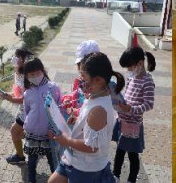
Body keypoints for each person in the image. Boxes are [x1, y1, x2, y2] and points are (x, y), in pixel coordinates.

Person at [46, 52, 121, 183]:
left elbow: (91, 147)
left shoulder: (98, 110)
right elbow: (89, 120)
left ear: (97, 80)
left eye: (82, 75)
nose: (79, 78)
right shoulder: (93, 94)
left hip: (87, 170)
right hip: (73, 159)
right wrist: (78, 120)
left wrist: (67, 141)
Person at [111, 47, 157, 183]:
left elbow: (149, 104)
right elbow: (125, 96)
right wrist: (118, 101)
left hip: (133, 125)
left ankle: (131, 180)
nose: (129, 70)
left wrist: (130, 109)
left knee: (132, 155)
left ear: (140, 63)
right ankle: (116, 176)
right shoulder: (131, 78)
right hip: (121, 121)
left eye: (130, 67)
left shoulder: (147, 81)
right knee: (119, 151)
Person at [18, 57, 62, 183]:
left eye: (39, 72)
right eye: (32, 74)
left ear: (43, 71)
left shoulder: (53, 88)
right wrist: (27, 124)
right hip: (32, 134)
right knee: (31, 160)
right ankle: (31, 180)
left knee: (52, 160)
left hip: (49, 133)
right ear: (27, 76)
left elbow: (59, 109)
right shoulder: (28, 93)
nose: (36, 76)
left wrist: (55, 129)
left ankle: (57, 179)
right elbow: (26, 111)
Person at [0, 47, 39, 164]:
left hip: (28, 111)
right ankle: (36, 144)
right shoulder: (17, 74)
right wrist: (7, 94)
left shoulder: (24, 77)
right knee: (20, 133)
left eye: (17, 56)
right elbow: (18, 93)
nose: (14, 58)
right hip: (22, 110)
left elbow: (26, 98)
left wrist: (11, 99)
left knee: (14, 131)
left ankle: (20, 156)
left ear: (23, 60)